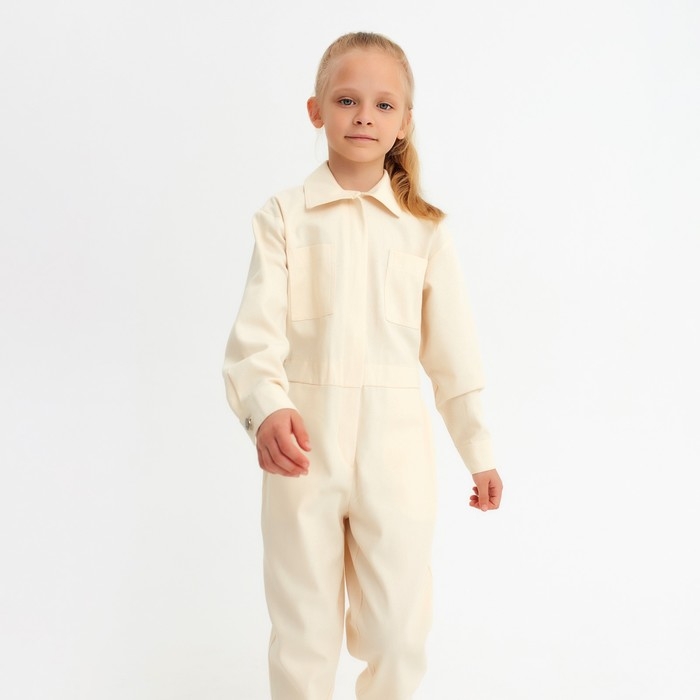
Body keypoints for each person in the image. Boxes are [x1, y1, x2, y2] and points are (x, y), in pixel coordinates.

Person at [222, 30, 503, 700]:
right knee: (303, 634)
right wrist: (267, 409)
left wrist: (479, 450)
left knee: (399, 633)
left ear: (404, 122)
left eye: (383, 104)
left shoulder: (426, 230)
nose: (363, 116)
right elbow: (254, 338)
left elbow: (454, 353)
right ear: (316, 110)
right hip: (303, 451)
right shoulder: (284, 217)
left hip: (395, 453)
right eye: (347, 100)